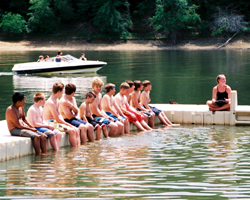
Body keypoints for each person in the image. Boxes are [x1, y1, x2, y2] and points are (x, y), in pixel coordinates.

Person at [43, 82, 80, 147]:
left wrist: (66, 123)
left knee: (76, 129)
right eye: (62, 91)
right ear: (59, 91)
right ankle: (75, 150)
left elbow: (59, 115)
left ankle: (78, 147)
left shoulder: (56, 100)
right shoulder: (51, 102)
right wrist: (68, 124)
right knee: (72, 130)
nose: (63, 93)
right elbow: (57, 118)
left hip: (56, 122)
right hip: (50, 122)